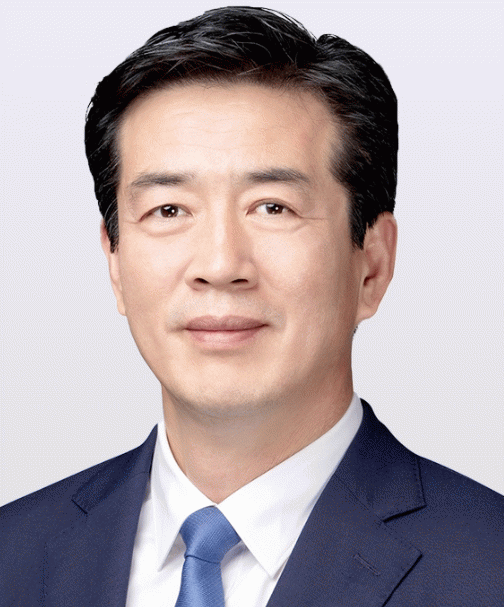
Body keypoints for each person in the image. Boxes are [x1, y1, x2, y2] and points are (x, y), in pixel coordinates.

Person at [1, 6, 502, 606]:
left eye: (273, 208)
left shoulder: (487, 567)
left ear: (372, 264)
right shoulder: (14, 554)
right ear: (114, 261)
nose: (219, 265)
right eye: (168, 210)